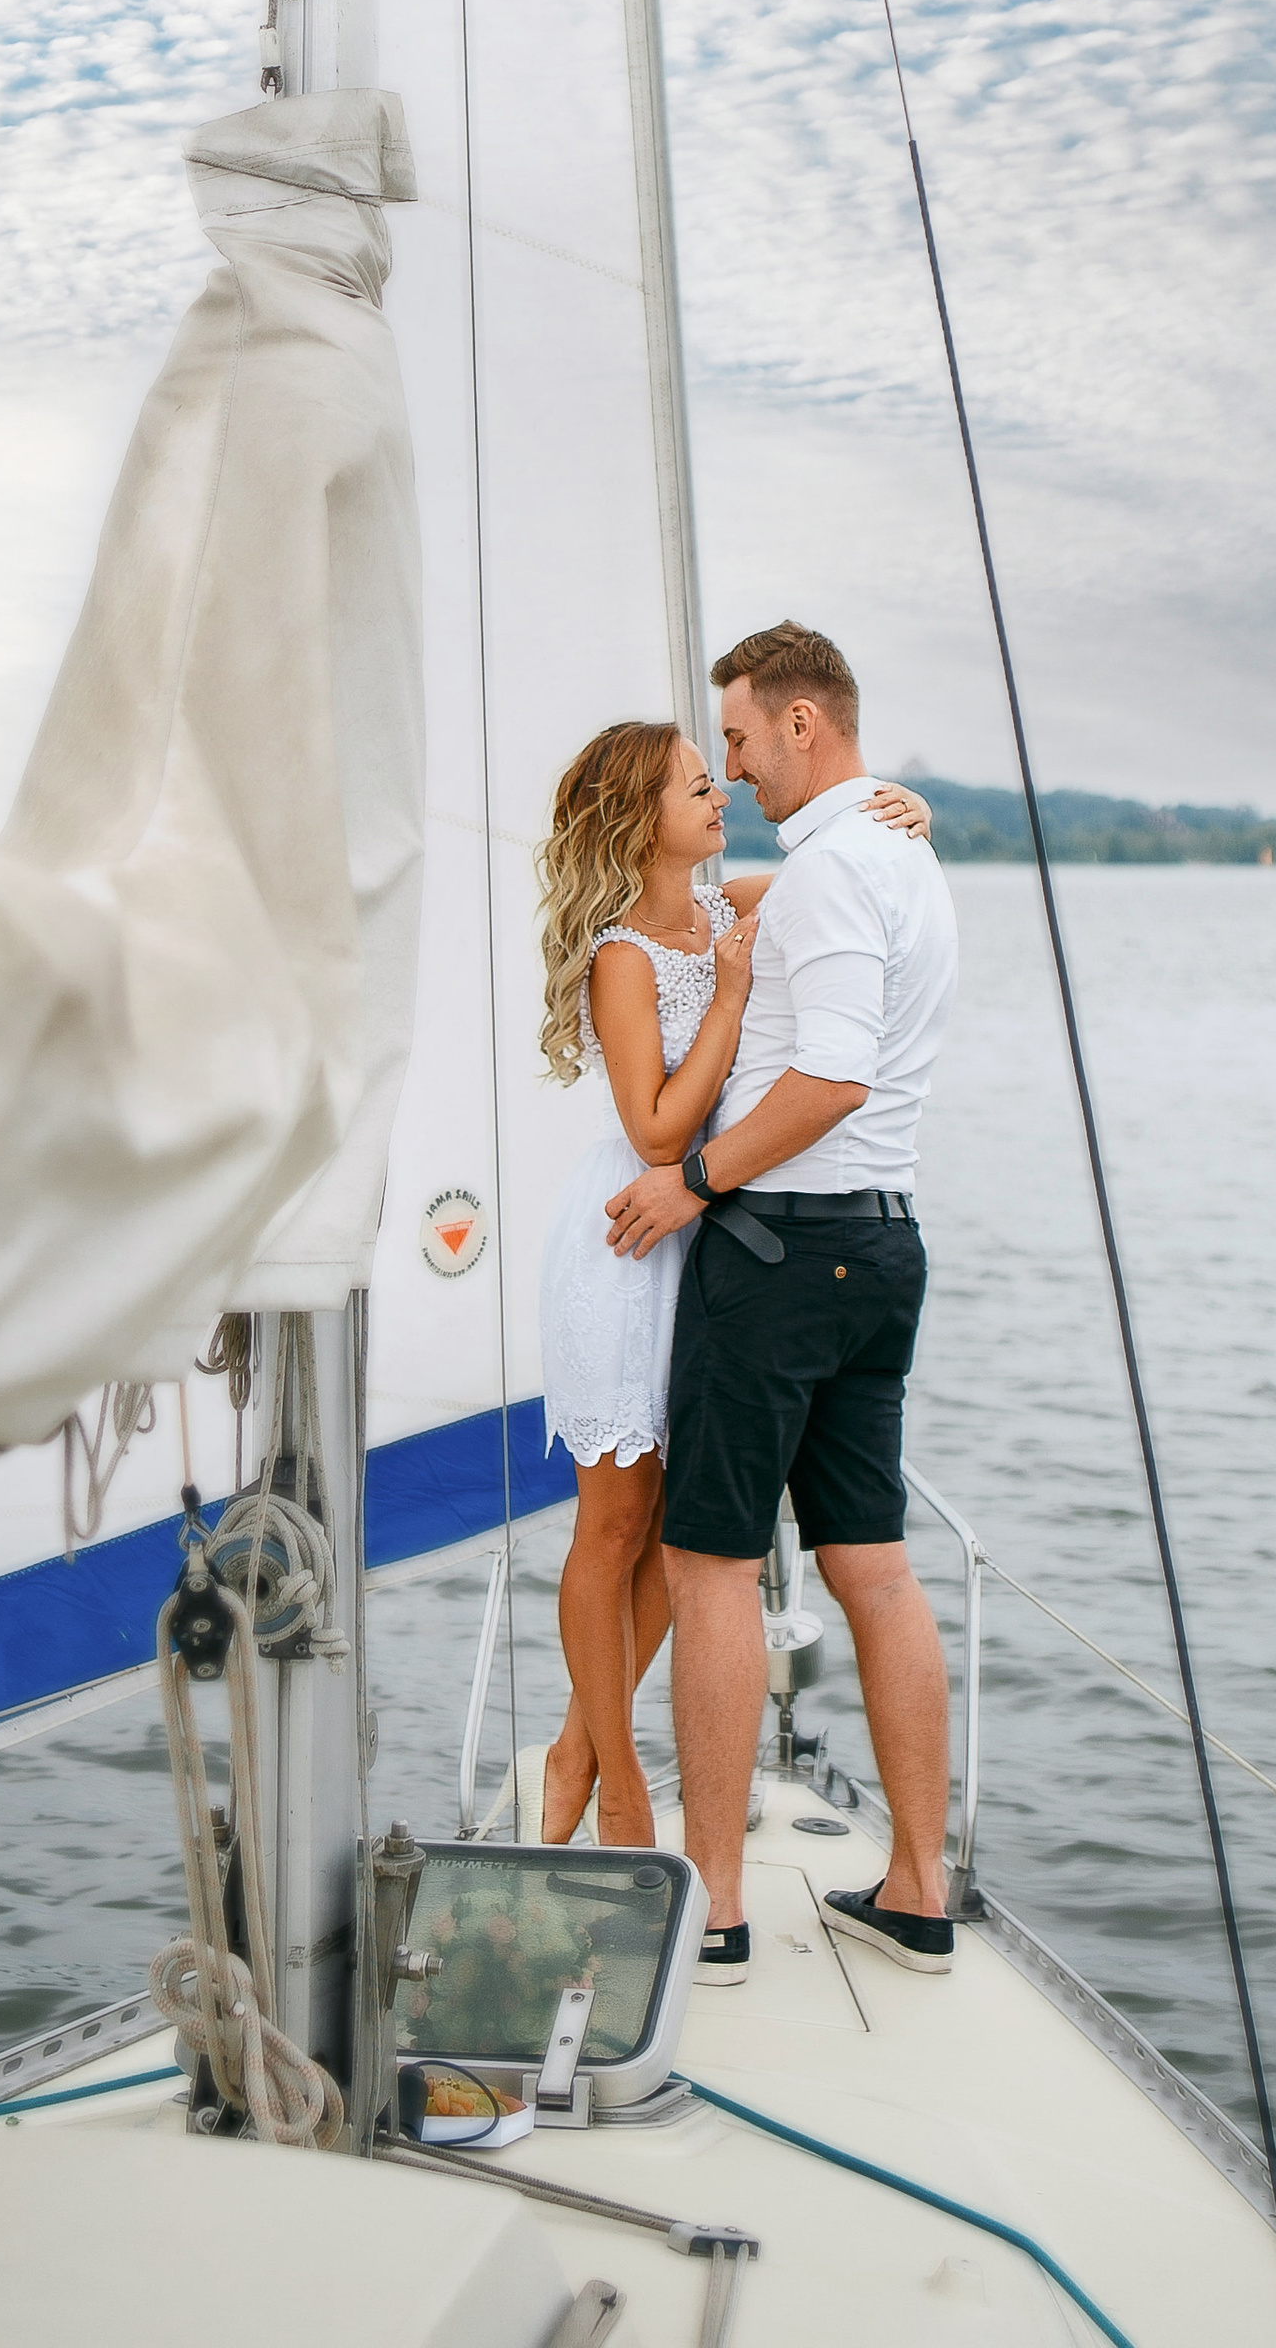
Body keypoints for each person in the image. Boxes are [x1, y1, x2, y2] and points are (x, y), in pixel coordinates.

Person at [606, 621, 959, 1986]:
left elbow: (830, 1080)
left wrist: (692, 1181)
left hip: (777, 1257)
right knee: (870, 1565)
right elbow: (770, 906)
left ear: (803, 725)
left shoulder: (831, 876)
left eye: (744, 739)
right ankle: (920, 1892)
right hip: (879, 1252)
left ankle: (720, 1908)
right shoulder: (902, 858)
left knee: (709, 1571)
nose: (739, 767)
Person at [533, 720, 931, 1850]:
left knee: (682, 1527)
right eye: (696, 788)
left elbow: (825, 875)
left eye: (719, 780)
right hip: (628, 1237)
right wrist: (725, 999)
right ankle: (612, 1786)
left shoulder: (725, 908)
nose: (720, 798)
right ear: (639, 818)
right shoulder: (621, 955)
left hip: (706, 1238)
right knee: (612, 1528)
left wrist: (898, 805)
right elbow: (656, 1127)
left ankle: (577, 1742)